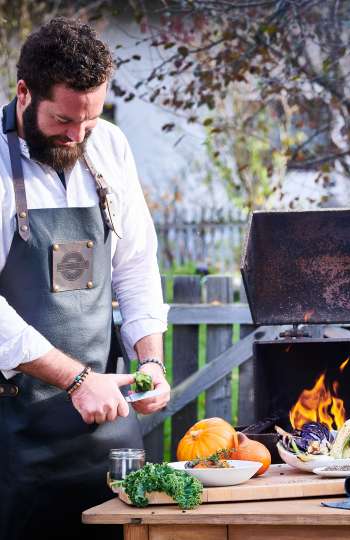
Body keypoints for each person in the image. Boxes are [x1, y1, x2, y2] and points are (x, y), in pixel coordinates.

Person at [0, 18, 171, 540]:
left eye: (90, 122)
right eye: (63, 120)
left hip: (103, 425)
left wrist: (152, 361)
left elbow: (137, 267)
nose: (76, 136)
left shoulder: (112, 146)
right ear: (24, 92)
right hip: (12, 433)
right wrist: (76, 380)